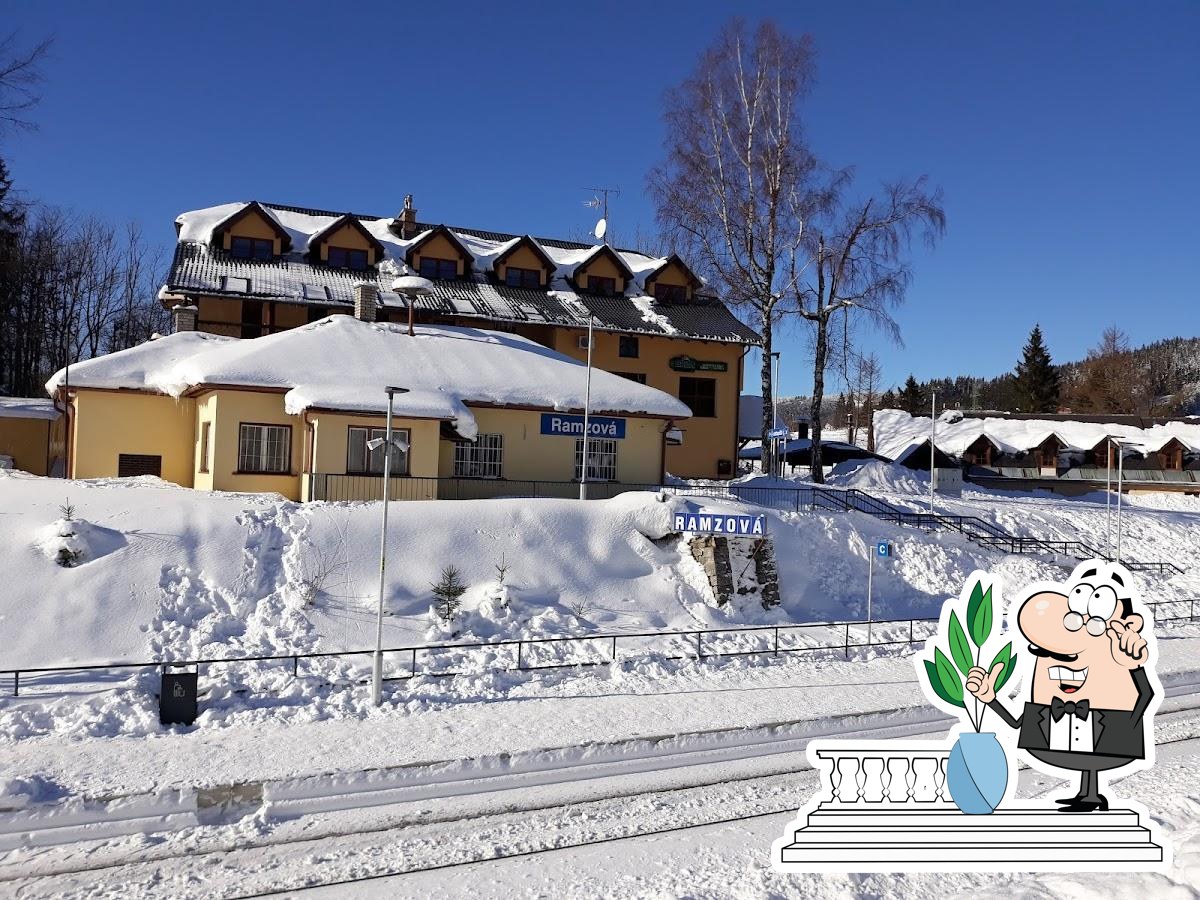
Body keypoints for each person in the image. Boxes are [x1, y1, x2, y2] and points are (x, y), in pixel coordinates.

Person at [966, 563, 1154, 812]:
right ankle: (1087, 793)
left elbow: (1147, 692)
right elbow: (1016, 723)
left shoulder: (1120, 652)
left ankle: (1090, 794)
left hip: (1108, 723)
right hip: (1061, 724)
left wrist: (1127, 725)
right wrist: (990, 697)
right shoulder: (1049, 673)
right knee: (1086, 756)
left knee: (1094, 755)